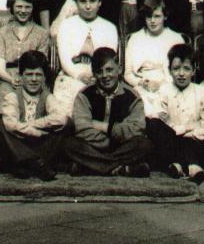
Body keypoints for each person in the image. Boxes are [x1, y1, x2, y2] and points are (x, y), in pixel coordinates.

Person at [63, 48, 153, 177]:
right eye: (99, 71)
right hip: (93, 147)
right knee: (69, 144)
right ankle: (120, 168)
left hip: (120, 148)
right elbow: (83, 130)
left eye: (109, 69)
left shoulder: (132, 95)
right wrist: (111, 141)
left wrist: (108, 128)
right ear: (94, 74)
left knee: (144, 144)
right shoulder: (84, 95)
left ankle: (89, 167)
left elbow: (136, 129)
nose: (105, 76)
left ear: (119, 69)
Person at [0, 50, 66, 181]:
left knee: (66, 125)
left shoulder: (48, 97)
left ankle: (28, 166)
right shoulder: (12, 96)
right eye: (29, 74)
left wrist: (30, 125)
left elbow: (60, 118)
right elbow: (11, 125)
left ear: (44, 77)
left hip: (39, 149)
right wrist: (37, 132)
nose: (34, 79)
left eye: (38, 75)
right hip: (15, 149)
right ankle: (31, 164)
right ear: (21, 76)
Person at [149, 43, 204, 183]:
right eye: (176, 69)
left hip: (196, 142)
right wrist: (188, 128)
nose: (181, 74)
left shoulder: (203, 92)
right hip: (171, 141)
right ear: (169, 70)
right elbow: (160, 118)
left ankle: (179, 164)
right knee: (153, 124)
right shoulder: (164, 91)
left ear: (193, 71)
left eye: (186, 69)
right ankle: (193, 167)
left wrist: (186, 132)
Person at [52, 0, 119, 117]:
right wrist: (78, 75)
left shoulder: (109, 27)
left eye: (92, 1)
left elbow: (108, 60)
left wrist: (95, 76)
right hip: (71, 75)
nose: (88, 6)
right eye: (83, 1)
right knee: (65, 115)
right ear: (76, 2)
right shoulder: (66, 25)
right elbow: (65, 59)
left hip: (100, 77)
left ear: (100, 2)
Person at [123, 0, 185, 118]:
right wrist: (141, 83)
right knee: (142, 105)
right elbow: (128, 74)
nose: (152, 21)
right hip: (142, 86)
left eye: (157, 16)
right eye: (149, 16)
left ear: (165, 16)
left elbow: (181, 72)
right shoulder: (135, 39)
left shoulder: (175, 38)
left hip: (169, 83)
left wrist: (162, 84)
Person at [0, 0, 50, 99]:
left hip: (33, 79)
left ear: (33, 8)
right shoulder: (2, 32)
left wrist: (28, 80)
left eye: (27, 7)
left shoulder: (42, 33)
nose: (23, 11)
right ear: (12, 7)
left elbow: (40, 66)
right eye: (19, 6)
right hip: (7, 78)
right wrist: (10, 79)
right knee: (9, 99)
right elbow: (0, 66)